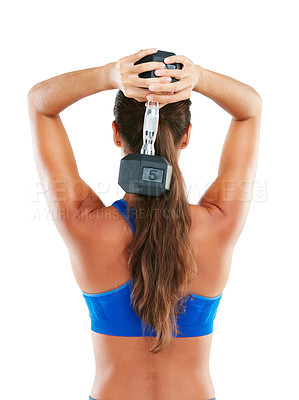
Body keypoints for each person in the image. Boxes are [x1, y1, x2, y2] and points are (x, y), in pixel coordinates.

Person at [27, 48, 262, 400]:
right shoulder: (219, 222)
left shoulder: (85, 223)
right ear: (186, 136)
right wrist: (199, 79)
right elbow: (250, 110)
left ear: (116, 132)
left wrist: (108, 75)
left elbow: (39, 104)